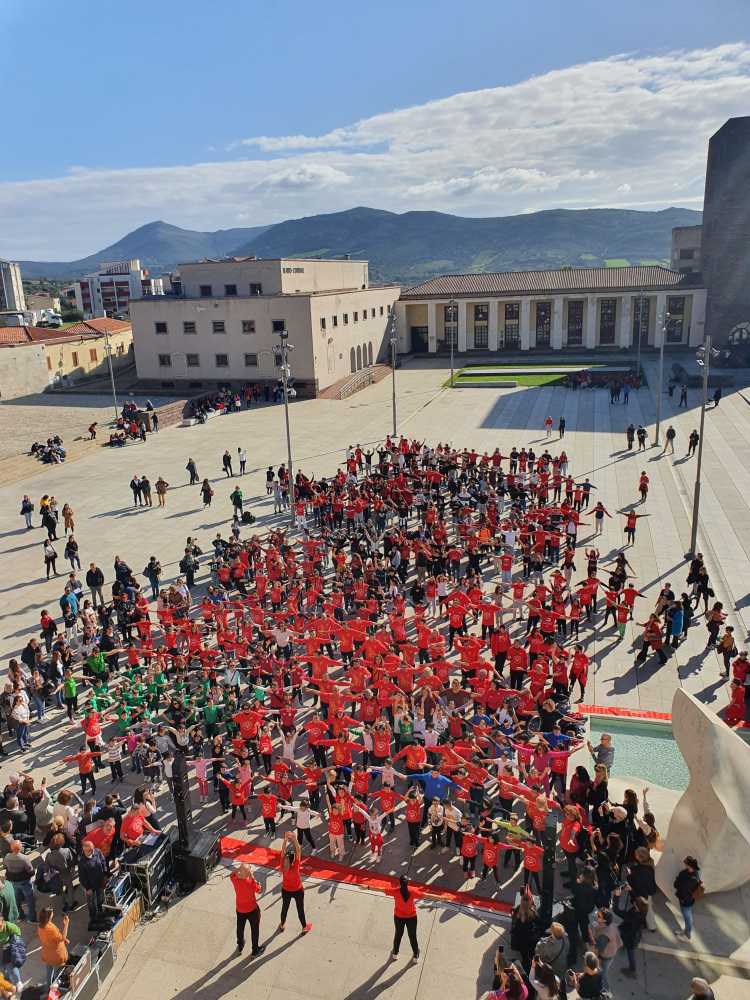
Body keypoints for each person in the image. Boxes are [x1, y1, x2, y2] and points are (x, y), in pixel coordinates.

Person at [278, 831, 312, 934]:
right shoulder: (295, 867)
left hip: (286, 890)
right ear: (292, 861)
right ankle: (304, 927)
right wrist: (294, 839)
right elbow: (298, 851)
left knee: (284, 908)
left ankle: (282, 924)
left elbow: (283, 851)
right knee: (300, 910)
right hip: (298, 891)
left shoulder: (282, 866)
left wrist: (285, 839)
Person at [230, 862, 265, 956]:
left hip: (240, 909)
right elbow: (259, 890)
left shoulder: (235, 880)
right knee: (255, 930)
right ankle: (255, 950)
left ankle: (240, 944)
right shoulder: (250, 883)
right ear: (248, 874)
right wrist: (252, 877)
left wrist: (238, 869)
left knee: (240, 928)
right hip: (252, 910)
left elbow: (231, 875)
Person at [78, 839, 109, 929]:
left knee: (100, 898)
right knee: (91, 903)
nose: (93, 851)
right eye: (91, 850)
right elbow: (82, 878)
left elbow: (103, 861)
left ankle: (100, 912)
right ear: (85, 850)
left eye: (93, 848)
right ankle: (93, 918)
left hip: (100, 881)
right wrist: (88, 888)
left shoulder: (97, 851)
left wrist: (105, 874)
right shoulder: (82, 862)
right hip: (90, 886)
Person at [389, 875, 420, 962]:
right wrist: (442, 898)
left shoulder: (395, 891)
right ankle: (415, 955)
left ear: (400, 883)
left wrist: (367, 887)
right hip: (412, 917)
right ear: (407, 883)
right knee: (412, 936)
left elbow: (381, 889)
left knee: (398, 935)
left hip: (399, 917)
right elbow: (426, 896)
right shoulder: (412, 891)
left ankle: (395, 953)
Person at [37, 907, 69, 988]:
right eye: (52, 913)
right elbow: (62, 937)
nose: (53, 913)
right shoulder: (50, 929)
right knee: (57, 974)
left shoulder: (41, 926)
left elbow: (53, 938)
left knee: (49, 971)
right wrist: (66, 924)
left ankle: (48, 986)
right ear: (48, 917)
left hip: (47, 954)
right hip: (56, 956)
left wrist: (63, 940)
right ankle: (54, 989)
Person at [674, 856, 703, 940]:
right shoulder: (693, 873)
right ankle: (685, 930)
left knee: (687, 916)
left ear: (689, 865)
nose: (685, 865)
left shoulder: (690, 877)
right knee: (686, 915)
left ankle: (688, 936)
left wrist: (678, 880)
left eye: (686, 864)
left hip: (686, 899)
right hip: (687, 898)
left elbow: (678, 885)